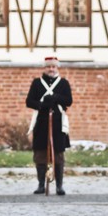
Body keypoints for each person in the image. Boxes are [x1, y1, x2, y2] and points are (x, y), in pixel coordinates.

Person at [26, 55, 73, 195]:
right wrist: (42, 104)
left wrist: (56, 98)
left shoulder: (63, 83)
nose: (51, 69)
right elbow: (29, 101)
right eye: (48, 67)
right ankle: (41, 184)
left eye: (53, 66)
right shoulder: (37, 83)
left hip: (58, 123)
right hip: (41, 123)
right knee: (40, 154)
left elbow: (69, 101)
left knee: (58, 155)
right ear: (44, 68)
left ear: (57, 67)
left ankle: (59, 185)